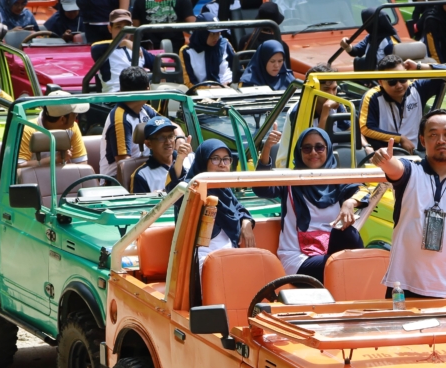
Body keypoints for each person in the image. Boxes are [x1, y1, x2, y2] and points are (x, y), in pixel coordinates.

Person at [370, 109, 446, 298]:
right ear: (423, 141)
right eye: (433, 135)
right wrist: (385, 160)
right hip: (403, 287)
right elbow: (395, 168)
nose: (441, 140)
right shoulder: (410, 173)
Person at [253, 126, 365, 282]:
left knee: (350, 237)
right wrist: (267, 149)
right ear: (299, 152)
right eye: (307, 148)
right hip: (298, 258)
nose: (313, 152)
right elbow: (262, 189)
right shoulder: (289, 180)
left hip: (330, 253)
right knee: (346, 266)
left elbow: (365, 192)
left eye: (319, 147)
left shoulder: (337, 178)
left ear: (328, 149)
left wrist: (350, 202)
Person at [170, 139, 254, 268]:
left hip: (231, 255)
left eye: (226, 159)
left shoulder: (225, 190)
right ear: (203, 162)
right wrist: (180, 159)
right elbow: (175, 192)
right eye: (215, 159)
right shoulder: (194, 188)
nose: (222, 164)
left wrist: (246, 221)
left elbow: (238, 208)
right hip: (203, 259)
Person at [359, 55, 444, 152]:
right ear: (380, 82)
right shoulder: (372, 97)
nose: (399, 85)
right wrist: (400, 138)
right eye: (392, 82)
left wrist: (419, 66)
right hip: (386, 155)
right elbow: (366, 128)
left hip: (418, 153)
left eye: (403, 78)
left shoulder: (418, 88)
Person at [100, 65, 157, 177]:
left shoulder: (146, 109)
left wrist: (179, 138)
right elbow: (123, 164)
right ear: (148, 89)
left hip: (143, 172)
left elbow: (169, 125)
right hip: (116, 182)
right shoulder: (120, 118)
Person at [16, 90, 89, 165]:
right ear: (63, 119)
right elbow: (19, 166)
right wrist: (54, 159)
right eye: (75, 115)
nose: (76, 118)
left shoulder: (73, 128)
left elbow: (82, 163)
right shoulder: (28, 129)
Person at [91, 9, 156, 93]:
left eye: (126, 27)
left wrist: (161, 72)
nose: (123, 31)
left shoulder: (137, 49)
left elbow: (158, 62)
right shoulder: (104, 49)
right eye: (118, 27)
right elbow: (95, 48)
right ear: (110, 28)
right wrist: (124, 42)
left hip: (139, 97)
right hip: (114, 99)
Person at [130, 117, 183, 193]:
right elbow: (142, 204)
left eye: (171, 136)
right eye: (161, 138)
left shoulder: (189, 158)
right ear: (149, 144)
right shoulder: (142, 175)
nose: (168, 142)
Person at [181, 16, 232, 87]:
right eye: (213, 34)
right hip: (203, 94)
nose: (216, 37)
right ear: (202, 33)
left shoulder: (224, 44)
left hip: (229, 89)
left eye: (218, 33)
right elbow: (189, 83)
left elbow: (238, 70)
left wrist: (231, 84)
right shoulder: (187, 52)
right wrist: (210, 88)